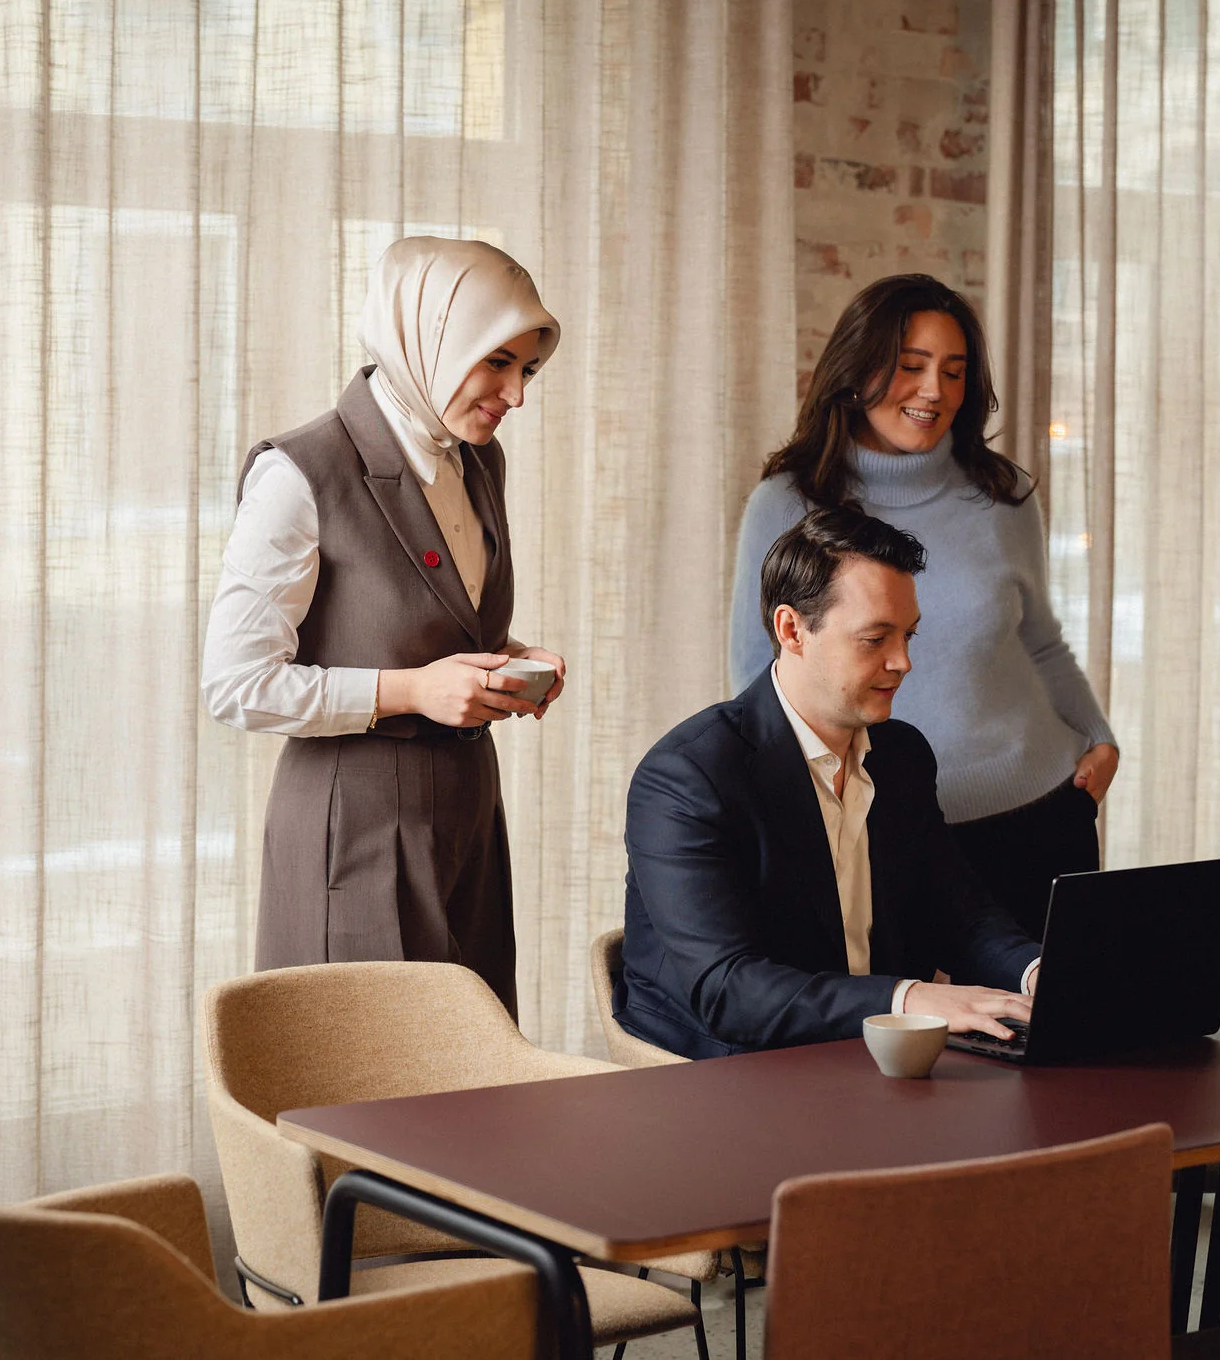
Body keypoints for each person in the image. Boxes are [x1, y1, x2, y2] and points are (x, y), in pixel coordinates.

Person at [201, 237, 567, 1018]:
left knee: (468, 1082)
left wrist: (508, 658)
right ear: (429, 337)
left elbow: (424, 617)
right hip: (356, 829)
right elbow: (236, 684)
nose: (516, 394)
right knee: (370, 1101)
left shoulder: (477, 460)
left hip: (467, 817)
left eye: (527, 370)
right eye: (496, 362)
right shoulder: (300, 472)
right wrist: (414, 690)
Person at [727, 274, 1117, 943]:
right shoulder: (789, 502)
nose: (935, 390)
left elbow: (1040, 639)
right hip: (884, 832)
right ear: (856, 370)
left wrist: (1098, 735)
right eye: (911, 367)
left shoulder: (1003, 493)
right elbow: (755, 678)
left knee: (1055, 1039)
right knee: (906, 1037)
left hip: (1041, 814)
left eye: (955, 371)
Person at [616, 506, 1041, 1059]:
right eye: (875, 638)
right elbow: (728, 990)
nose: (904, 662)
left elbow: (958, 913)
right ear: (792, 629)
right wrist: (911, 999)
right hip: (721, 1069)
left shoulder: (901, 755)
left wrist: (1037, 972)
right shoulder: (687, 776)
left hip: (872, 1054)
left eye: (908, 635)